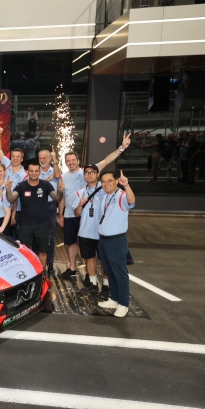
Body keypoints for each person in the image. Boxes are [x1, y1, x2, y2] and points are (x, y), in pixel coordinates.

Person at [58, 132, 131, 279]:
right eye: (68, 161)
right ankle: (73, 268)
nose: (71, 162)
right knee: (72, 243)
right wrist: (61, 214)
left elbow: (107, 160)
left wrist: (121, 148)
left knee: (93, 247)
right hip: (71, 214)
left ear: (78, 160)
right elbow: (63, 197)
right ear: (65, 162)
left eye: (73, 160)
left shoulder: (88, 171)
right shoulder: (63, 176)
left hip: (90, 217)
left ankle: (94, 277)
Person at [6, 163, 64, 268]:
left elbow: (57, 199)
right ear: (27, 172)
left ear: (39, 172)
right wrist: (8, 189)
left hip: (43, 225)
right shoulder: (21, 186)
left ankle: (41, 275)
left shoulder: (46, 185)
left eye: (36, 171)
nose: (34, 173)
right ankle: (29, 273)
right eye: (31, 171)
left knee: (43, 252)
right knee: (24, 252)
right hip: (26, 225)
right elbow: (11, 199)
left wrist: (60, 191)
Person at [97, 171, 135, 317]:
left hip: (116, 240)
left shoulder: (121, 195)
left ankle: (123, 304)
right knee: (109, 270)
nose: (106, 184)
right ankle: (114, 298)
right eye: (103, 181)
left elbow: (131, 201)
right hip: (104, 240)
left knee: (120, 273)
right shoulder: (106, 196)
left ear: (116, 181)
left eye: (109, 181)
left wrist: (127, 186)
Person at [71, 164, 105, 295]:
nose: (89, 175)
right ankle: (92, 283)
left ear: (97, 174)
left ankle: (106, 286)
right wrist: (81, 203)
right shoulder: (80, 192)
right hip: (85, 232)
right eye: (86, 172)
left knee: (104, 260)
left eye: (92, 172)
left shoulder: (104, 190)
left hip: (102, 232)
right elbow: (77, 213)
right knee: (89, 258)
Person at [37, 150, 60, 273]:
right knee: (37, 236)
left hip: (50, 206)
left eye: (45, 157)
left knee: (50, 236)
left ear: (49, 159)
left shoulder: (54, 170)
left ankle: (50, 264)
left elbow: (57, 176)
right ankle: (38, 264)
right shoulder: (36, 171)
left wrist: (55, 158)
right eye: (40, 158)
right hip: (37, 206)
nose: (42, 160)